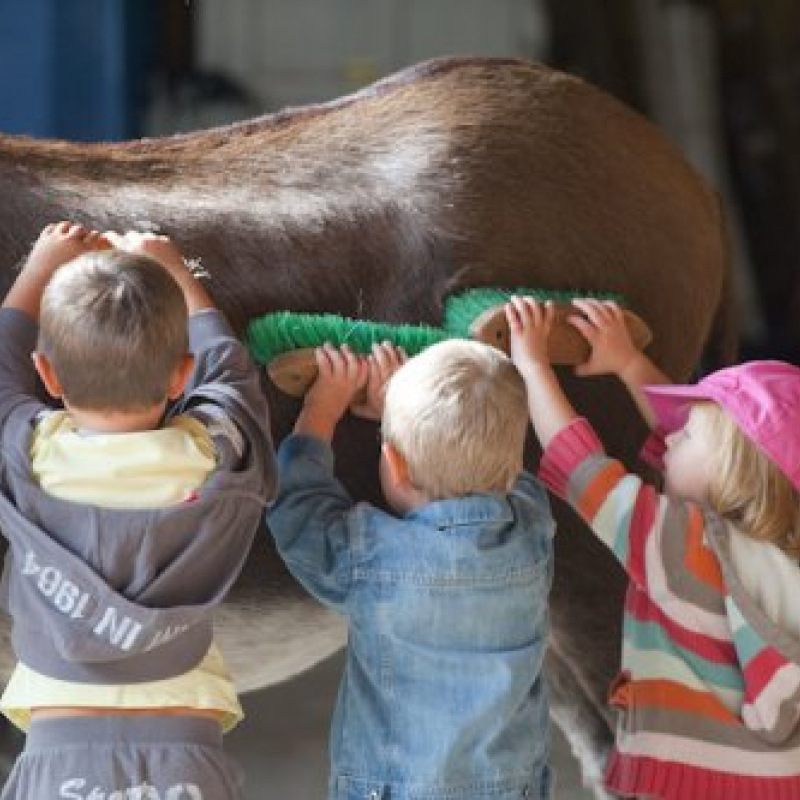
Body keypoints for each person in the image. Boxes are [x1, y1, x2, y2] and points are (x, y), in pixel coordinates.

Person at [0, 222, 275, 798]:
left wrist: (38, 265)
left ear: (46, 375)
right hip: (189, 747)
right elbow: (227, 370)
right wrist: (177, 271)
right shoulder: (213, 454)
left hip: (58, 750)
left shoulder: (30, 450)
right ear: (180, 374)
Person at [505, 295, 800, 800]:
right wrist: (627, 362)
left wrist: (532, 367)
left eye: (685, 436)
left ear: (732, 471)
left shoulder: (679, 544)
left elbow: (582, 468)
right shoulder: (783, 550)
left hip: (688, 783)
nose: (667, 440)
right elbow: (700, 444)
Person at [266, 338, 556, 800]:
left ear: (393, 465)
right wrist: (407, 425)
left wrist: (321, 411)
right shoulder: (531, 532)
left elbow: (299, 512)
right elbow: (510, 475)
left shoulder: (373, 558)